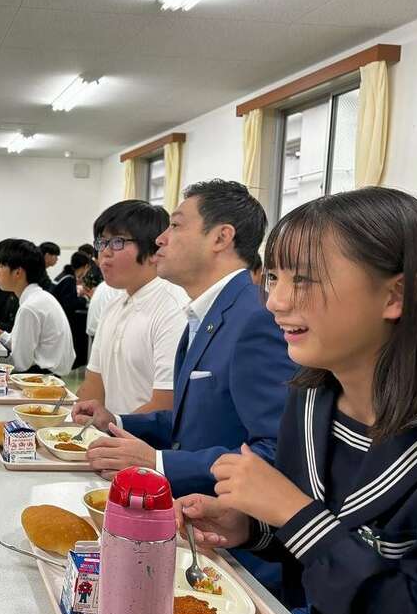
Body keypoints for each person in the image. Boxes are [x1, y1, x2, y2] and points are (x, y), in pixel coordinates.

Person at [178, 187, 417, 614]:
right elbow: (315, 554)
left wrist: (295, 514)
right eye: (273, 277)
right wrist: (253, 526)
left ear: (394, 295)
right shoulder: (310, 399)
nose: (275, 301)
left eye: (307, 279)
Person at [73, 180, 295, 498]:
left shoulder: (254, 318)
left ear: (221, 237)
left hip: (225, 519)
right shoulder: (207, 312)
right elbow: (191, 421)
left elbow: (275, 451)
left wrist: (160, 462)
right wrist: (118, 420)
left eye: (175, 225)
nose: (161, 239)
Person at [78, 200, 188, 415]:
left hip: (145, 444)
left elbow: (165, 405)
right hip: (109, 437)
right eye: (102, 243)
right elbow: (93, 387)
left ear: (153, 250)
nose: (105, 253)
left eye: (117, 242)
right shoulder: (114, 305)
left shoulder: (174, 309)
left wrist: (112, 430)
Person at [0, 239, 75, 375]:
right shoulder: (39, 297)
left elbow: (20, 363)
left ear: (18, 272)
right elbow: (22, 344)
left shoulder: (29, 307)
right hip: (45, 375)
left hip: (39, 379)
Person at [51, 251, 91, 320]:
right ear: (86, 266)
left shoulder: (64, 274)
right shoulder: (69, 279)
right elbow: (71, 304)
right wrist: (85, 298)